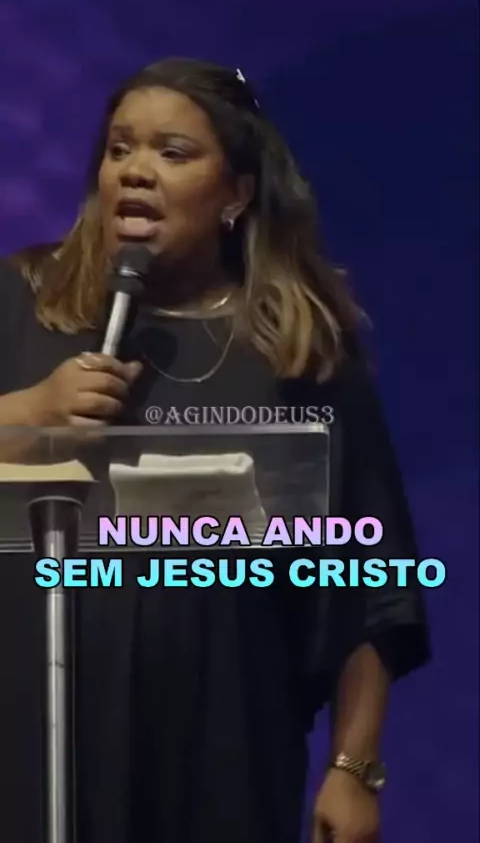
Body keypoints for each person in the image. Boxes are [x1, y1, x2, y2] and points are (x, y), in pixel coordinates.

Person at [0, 57, 430, 843]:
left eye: (172, 152)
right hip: (30, 748)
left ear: (236, 194)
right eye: (120, 149)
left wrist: (354, 766)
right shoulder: (23, 305)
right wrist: (31, 412)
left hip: (221, 753)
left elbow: (371, 577)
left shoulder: (297, 350)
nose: (135, 171)